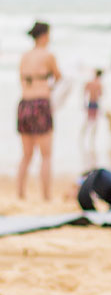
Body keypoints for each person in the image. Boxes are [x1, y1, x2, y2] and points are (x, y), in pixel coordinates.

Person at [17, 21, 61, 201]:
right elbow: (58, 77)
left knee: (26, 155)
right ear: (44, 35)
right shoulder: (48, 55)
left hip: (24, 103)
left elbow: (22, 79)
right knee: (46, 155)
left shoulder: (25, 56)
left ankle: (20, 194)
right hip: (40, 103)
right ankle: (46, 196)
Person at [81, 69, 104, 170]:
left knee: (88, 122)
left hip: (90, 103)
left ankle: (82, 137)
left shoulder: (89, 83)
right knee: (95, 124)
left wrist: (84, 103)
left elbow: (84, 92)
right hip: (95, 104)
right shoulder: (99, 84)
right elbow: (101, 95)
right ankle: (92, 140)